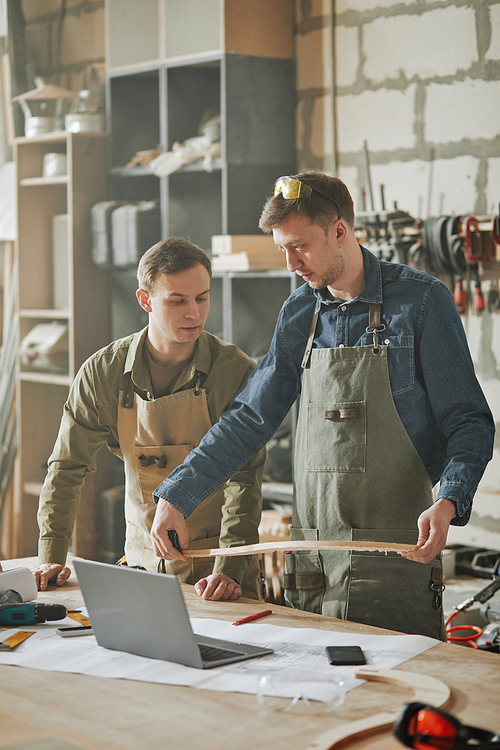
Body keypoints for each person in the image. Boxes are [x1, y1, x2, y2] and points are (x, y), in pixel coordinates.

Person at [150, 171, 495, 640]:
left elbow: (469, 420)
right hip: (313, 567)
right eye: (282, 249)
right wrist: (177, 494)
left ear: (339, 231)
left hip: (394, 562)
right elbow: (250, 417)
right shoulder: (299, 313)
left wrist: (450, 499)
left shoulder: (420, 302)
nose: (291, 263)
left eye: (300, 246)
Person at [34, 237, 265, 601]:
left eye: (202, 297)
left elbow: (244, 478)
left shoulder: (235, 373)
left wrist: (228, 571)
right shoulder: (103, 373)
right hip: (141, 568)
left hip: (217, 572)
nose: (194, 313)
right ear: (145, 300)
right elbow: (66, 467)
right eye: (177, 301)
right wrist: (51, 556)